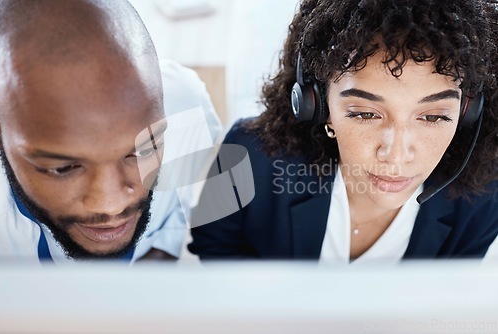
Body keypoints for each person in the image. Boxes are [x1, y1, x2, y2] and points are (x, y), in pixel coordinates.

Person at [188, 0, 498, 261]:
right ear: (319, 105)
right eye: (365, 113)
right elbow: (211, 246)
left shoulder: (484, 198)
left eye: (432, 117)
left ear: (467, 111)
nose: (396, 153)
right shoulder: (248, 154)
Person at [0, 0, 221, 263]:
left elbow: (169, 224)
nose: (111, 205)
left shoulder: (186, 110)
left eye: (144, 149)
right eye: (63, 168)